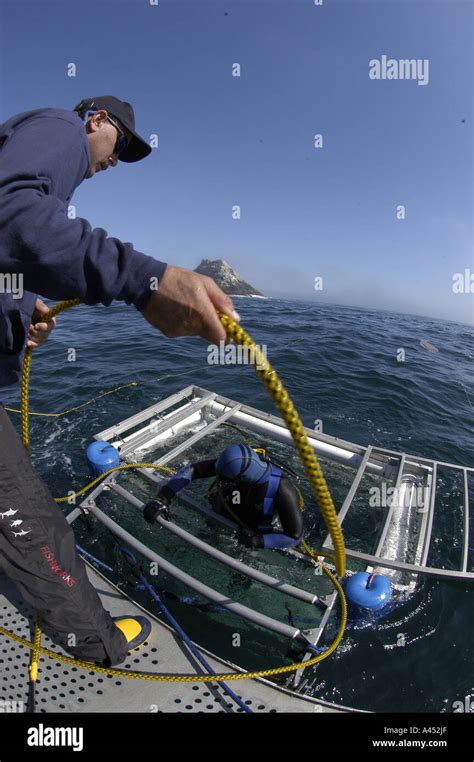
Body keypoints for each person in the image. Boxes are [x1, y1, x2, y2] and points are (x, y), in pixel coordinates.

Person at [0, 95, 240, 666]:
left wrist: (19, 307)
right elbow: (10, 214)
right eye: (121, 143)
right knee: (29, 517)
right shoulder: (59, 128)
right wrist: (147, 280)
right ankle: (99, 645)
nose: (117, 158)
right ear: (96, 120)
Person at [143, 444, 304, 550]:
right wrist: (163, 497)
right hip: (222, 511)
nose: (219, 480)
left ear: (241, 478)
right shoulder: (233, 464)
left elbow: (293, 537)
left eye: (224, 479)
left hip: (250, 531)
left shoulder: (282, 489)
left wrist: (258, 541)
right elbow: (194, 470)